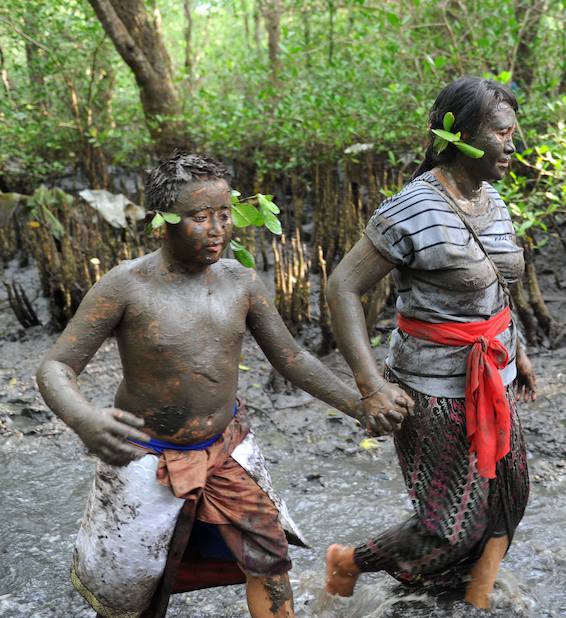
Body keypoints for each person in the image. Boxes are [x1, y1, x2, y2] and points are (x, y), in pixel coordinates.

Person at [36, 154, 379, 618]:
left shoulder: (240, 282)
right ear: (164, 222)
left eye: (223, 214)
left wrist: (358, 405)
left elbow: (292, 358)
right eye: (200, 217)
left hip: (224, 448)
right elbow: (56, 366)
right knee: (132, 589)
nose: (217, 228)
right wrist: (84, 419)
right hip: (144, 456)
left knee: (269, 556)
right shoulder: (127, 286)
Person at [323, 76, 537, 609]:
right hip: (431, 386)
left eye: (515, 131)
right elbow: (342, 288)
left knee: (512, 495)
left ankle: (476, 597)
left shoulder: (495, 202)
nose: (514, 144)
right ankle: (347, 561)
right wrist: (370, 385)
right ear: (460, 135)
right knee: (450, 525)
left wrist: (520, 350)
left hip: (496, 369)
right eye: (502, 132)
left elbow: (499, 288)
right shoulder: (412, 209)